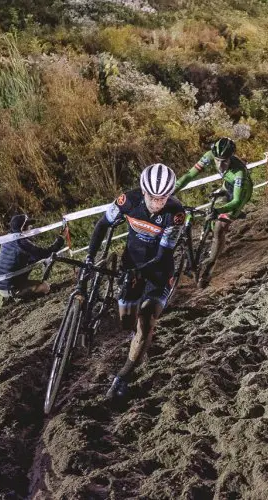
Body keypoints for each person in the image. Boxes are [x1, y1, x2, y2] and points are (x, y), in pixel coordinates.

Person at [85, 163, 184, 400]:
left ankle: (123, 377)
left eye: (163, 198)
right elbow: (102, 225)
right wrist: (90, 256)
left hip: (158, 272)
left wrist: (142, 272)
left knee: (146, 318)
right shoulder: (127, 201)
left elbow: (163, 256)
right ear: (143, 191)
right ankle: (139, 342)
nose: (157, 203)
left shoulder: (176, 213)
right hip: (131, 263)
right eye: (152, 197)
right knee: (126, 320)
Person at [174, 137, 253, 288]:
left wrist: (218, 211)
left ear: (231, 158)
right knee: (208, 215)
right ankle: (206, 235)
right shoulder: (209, 155)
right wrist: (170, 192)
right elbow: (189, 175)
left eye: (224, 161)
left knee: (219, 229)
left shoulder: (239, 172)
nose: (220, 165)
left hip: (241, 194)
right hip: (227, 185)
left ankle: (210, 266)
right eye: (217, 160)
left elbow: (236, 201)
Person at [0, 214, 66, 307]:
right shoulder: (22, 242)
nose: (31, 228)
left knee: (28, 266)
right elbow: (45, 253)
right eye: (29, 226)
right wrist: (61, 238)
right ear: (22, 229)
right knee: (45, 287)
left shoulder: (8, 238)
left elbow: (28, 257)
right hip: (7, 286)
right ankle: (17, 296)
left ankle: (8, 295)